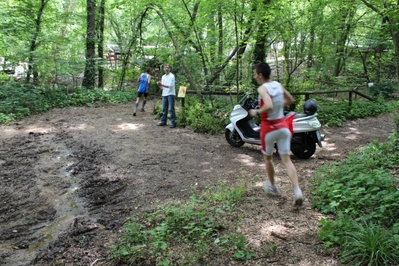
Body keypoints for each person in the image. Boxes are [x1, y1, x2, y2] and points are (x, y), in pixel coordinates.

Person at [249, 62, 303, 206]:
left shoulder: (262, 89)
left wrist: (256, 112)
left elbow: (268, 105)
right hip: (283, 127)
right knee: (286, 159)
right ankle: (297, 191)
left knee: (268, 158)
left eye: (255, 73)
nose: (255, 76)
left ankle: (272, 186)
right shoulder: (278, 85)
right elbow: (290, 100)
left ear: (261, 75)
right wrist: (279, 104)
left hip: (269, 129)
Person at [156, 64, 176, 128]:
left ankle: (173, 122)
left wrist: (161, 84)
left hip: (171, 94)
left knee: (171, 109)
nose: (166, 69)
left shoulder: (172, 76)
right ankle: (163, 121)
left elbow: (170, 86)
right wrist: (159, 85)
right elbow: (162, 87)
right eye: (165, 68)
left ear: (169, 69)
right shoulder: (163, 76)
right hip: (164, 94)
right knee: (164, 109)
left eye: (167, 67)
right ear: (164, 69)